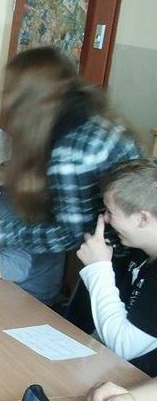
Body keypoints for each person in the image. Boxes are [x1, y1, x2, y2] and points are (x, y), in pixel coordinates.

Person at [0, 47, 139, 255]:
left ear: (26, 101)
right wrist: (12, 178)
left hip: (121, 251)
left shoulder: (70, 153)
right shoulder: (85, 113)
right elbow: (77, 185)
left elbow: (71, 234)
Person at [74, 159, 157, 374]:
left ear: (142, 219)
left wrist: (98, 268)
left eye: (111, 212)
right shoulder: (138, 250)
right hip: (109, 369)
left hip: (135, 383)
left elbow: (123, 346)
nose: (105, 219)